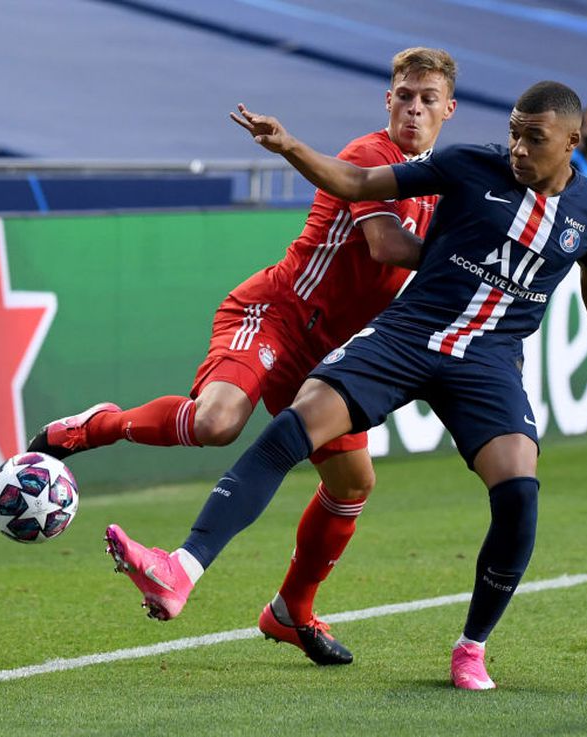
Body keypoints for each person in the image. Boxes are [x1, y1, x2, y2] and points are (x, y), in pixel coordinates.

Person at [103, 80, 587, 690]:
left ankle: (471, 649)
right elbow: (358, 185)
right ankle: (182, 567)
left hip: (487, 363)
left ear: (572, 143)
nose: (518, 147)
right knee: (294, 427)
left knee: (519, 492)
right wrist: (290, 147)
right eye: (514, 131)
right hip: (407, 336)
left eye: (534, 138)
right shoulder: (468, 165)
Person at [27, 47, 459, 666]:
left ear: (448, 109)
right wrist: (467, 260)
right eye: (404, 96)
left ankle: (291, 612)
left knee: (352, 483)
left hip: (330, 356)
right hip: (277, 316)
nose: (413, 108)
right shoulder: (372, 157)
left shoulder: (440, 181)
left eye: (426, 99)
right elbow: (388, 247)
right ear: (387, 99)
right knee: (217, 423)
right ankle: (98, 425)